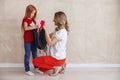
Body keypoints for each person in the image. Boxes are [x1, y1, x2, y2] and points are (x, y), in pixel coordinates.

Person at [33, 11, 69, 76]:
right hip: (57, 58)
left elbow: (50, 43)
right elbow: (48, 36)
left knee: (34, 61)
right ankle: (59, 66)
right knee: (40, 69)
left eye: (54, 18)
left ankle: (57, 67)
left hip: (57, 59)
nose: (53, 20)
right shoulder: (58, 30)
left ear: (59, 19)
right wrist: (40, 31)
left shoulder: (62, 32)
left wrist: (46, 30)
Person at [21, 4, 40, 76]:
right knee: (27, 55)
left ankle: (36, 68)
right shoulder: (25, 20)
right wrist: (35, 26)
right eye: (32, 13)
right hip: (27, 40)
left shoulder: (33, 21)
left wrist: (38, 28)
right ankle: (27, 70)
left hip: (33, 40)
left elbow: (34, 31)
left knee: (35, 54)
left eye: (34, 13)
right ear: (28, 12)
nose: (33, 14)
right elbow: (25, 28)